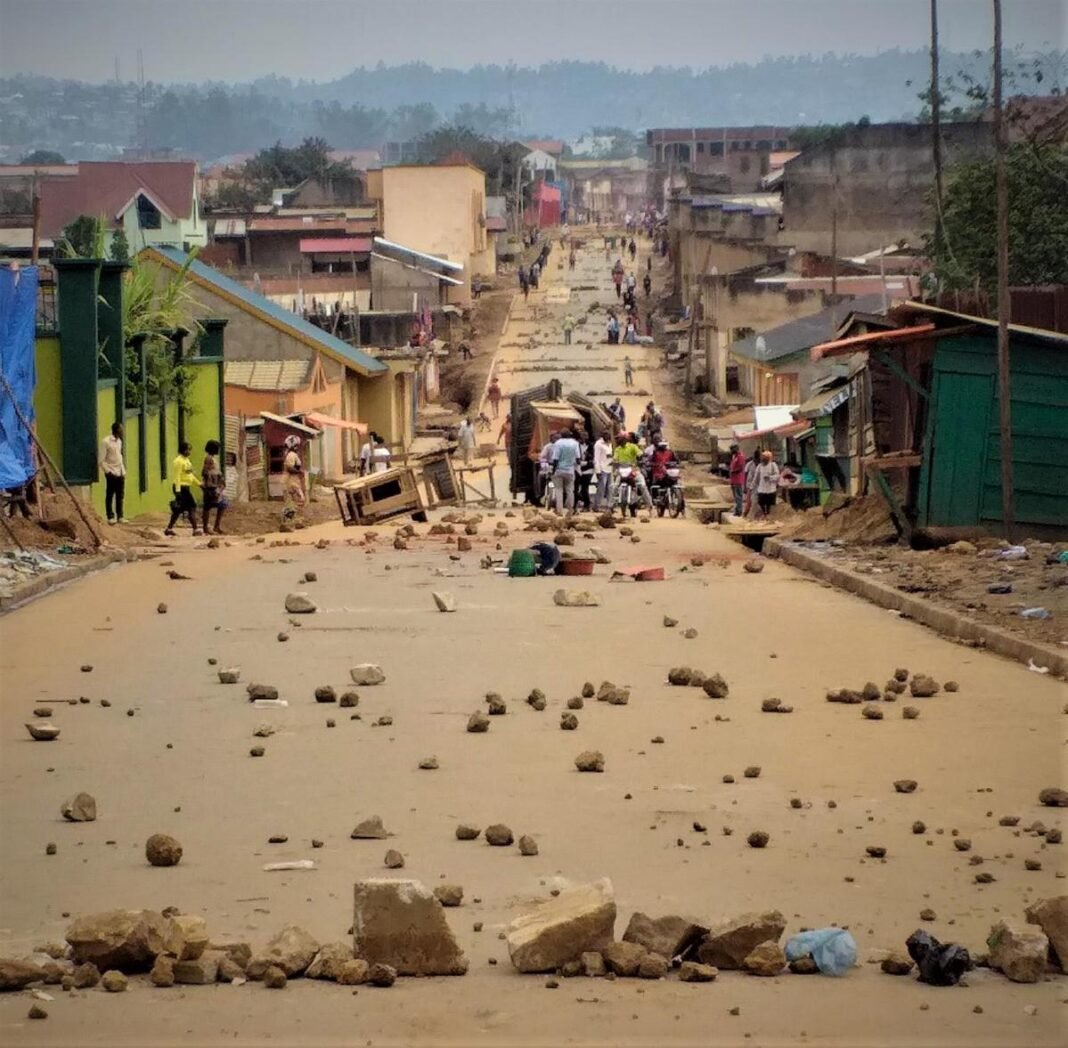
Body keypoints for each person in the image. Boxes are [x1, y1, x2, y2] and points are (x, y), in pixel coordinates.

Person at [164, 440, 200, 536]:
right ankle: (195, 529)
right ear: (183, 450)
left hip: (186, 487)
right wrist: (178, 490)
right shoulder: (178, 461)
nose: (189, 452)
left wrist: (199, 483)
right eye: (188, 450)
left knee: (178, 509)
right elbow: (177, 476)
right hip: (181, 487)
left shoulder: (187, 461)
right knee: (192, 506)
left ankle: (169, 528)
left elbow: (190, 475)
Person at [98, 421, 126, 524]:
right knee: (110, 494)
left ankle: (120, 516)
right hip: (111, 471)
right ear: (116, 430)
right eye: (121, 429)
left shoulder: (119, 441)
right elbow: (101, 459)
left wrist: (122, 470)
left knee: (120, 494)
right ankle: (110, 516)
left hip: (120, 471)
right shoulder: (106, 442)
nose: (122, 431)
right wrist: (108, 472)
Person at [550, 427, 581, 514]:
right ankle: (570, 509)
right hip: (570, 471)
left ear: (561, 435)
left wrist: (553, 470)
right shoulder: (575, 443)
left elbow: (555, 459)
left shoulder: (558, 443)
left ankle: (559, 511)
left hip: (559, 470)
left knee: (559, 490)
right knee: (570, 490)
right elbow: (578, 459)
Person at [200, 439, 228, 535]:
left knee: (221, 504)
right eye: (217, 448)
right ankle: (208, 527)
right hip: (210, 486)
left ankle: (215, 526)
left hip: (214, 485)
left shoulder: (212, 458)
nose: (218, 450)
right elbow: (206, 472)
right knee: (209, 506)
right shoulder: (209, 459)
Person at [754, 450, 781, 518]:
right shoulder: (759, 466)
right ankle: (764, 513)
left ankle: (769, 515)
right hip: (762, 489)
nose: (763, 458)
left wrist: (770, 477)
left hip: (771, 489)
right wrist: (753, 486)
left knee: (770, 504)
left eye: (765, 457)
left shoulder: (773, 465)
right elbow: (756, 477)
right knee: (761, 502)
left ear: (769, 458)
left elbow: (777, 475)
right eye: (762, 457)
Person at [593, 430, 614, 510]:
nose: (608, 436)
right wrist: (597, 471)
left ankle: (609, 506)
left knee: (610, 488)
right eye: (606, 435)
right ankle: (597, 506)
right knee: (601, 488)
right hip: (602, 469)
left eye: (608, 435)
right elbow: (596, 458)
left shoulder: (610, 444)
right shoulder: (598, 444)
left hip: (609, 468)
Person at [728, 443, 746, 517]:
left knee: (738, 496)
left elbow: (741, 468)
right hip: (733, 480)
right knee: (736, 497)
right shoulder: (734, 457)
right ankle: (737, 510)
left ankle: (739, 511)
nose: (731, 451)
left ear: (736, 449)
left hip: (738, 480)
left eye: (732, 449)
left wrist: (733, 471)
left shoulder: (740, 457)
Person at [743, 448, 762, 517]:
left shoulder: (762, 464)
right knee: (749, 502)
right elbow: (745, 475)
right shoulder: (749, 464)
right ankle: (745, 514)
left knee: (758, 501)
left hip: (759, 485)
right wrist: (744, 486)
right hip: (749, 485)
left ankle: (757, 516)